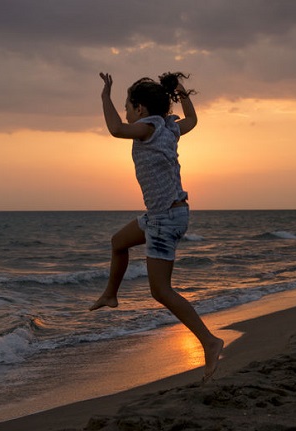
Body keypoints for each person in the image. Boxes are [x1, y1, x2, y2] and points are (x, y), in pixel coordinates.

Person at [91, 71, 224, 383]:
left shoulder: (149, 127)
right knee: (118, 241)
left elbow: (115, 129)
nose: (125, 111)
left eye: (127, 106)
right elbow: (192, 118)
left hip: (165, 218)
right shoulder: (169, 128)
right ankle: (111, 295)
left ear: (139, 109)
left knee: (161, 291)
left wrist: (104, 96)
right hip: (162, 215)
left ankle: (209, 341)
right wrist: (182, 92)